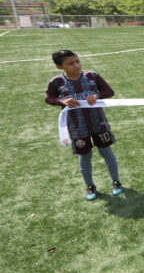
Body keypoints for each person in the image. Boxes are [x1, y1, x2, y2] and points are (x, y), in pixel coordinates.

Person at [46, 50, 123, 201]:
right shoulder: (56, 82)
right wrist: (61, 101)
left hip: (98, 122)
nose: (76, 65)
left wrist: (97, 96)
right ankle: (90, 186)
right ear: (59, 67)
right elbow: (49, 98)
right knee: (85, 155)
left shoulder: (92, 76)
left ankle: (116, 182)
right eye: (70, 63)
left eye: (77, 61)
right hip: (77, 126)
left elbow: (109, 91)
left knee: (106, 151)